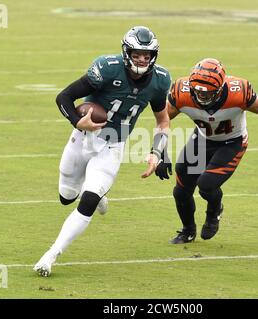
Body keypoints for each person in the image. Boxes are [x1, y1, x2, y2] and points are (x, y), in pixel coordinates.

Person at [34, 26, 172, 276]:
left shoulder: (160, 80)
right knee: (66, 196)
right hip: (84, 138)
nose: (142, 59)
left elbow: (163, 121)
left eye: (147, 55)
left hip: (113, 145)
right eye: (137, 53)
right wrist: (77, 122)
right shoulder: (107, 67)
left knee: (87, 201)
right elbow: (63, 97)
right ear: (127, 52)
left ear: (154, 56)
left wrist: (156, 152)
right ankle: (96, 191)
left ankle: (51, 254)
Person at [155, 58, 258, 244]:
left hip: (232, 142)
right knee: (181, 191)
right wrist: (160, 153)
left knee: (207, 184)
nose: (201, 97)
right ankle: (188, 231)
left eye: (207, 93)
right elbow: (163, 121)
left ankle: (215, 209)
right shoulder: (182, 93)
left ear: (220, 89)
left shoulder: (238, 93)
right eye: (197, 92)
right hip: (203, 139)